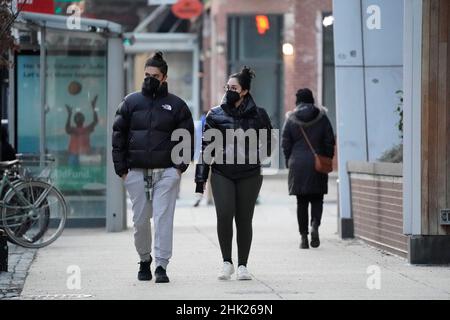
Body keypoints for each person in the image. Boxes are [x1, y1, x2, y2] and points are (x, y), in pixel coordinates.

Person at [112, 51, 194, 283]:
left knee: (163, 219)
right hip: (135, 171)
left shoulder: (176, 105)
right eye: (147, 74)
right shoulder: (130, 102)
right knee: (140, 221)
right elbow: (118, 135)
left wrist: (179, 167)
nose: (150, 78)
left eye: (155, 75)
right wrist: (123, 170)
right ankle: (144, 259)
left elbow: (186, 137)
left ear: (164, 77)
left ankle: (161, 265)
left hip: (167, 171)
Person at [195, 67, 273, 281]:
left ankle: (243, 266)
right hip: (222, 172)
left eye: (234, 88)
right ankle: (226, 262)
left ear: (245, 91)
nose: (229, 91)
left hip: (249, 173)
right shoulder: (215, 114)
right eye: (227, 87)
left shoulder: (259, 114)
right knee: (224, 214)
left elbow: (269, 143)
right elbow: (206, 148)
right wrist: (200, 179)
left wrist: (255, 154)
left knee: (244, 219)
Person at [281, 88, 335, 249]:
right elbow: (330, 140)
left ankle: (303, 237)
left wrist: (288, 161)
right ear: (312, 100)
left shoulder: (291, 119)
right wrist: (327, 158)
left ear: (297, 101)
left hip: (298, 164)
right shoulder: (322, 118)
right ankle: (315, 226)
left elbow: (285, 143)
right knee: (317, 198)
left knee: (301, 201)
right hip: (317, 164)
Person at [65, 95, 98, 166]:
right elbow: (95, 121)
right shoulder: (86, 130)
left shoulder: (73, 130)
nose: (78, 119)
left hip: (77, 155)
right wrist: (93, 107)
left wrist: (69, 114)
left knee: (74, 175)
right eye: (78, 118)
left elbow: (67, 129)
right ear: (83, 120)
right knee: (83, 174)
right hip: (81, 155)